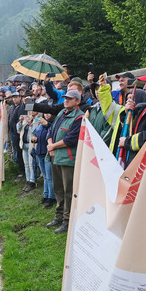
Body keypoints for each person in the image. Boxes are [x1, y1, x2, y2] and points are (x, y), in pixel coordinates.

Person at [46, 90, 84, 233]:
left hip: (68, 159)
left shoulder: (79, 117)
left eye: (69, 99)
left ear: (77, 101)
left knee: (68, 190)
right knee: (58, 188)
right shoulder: (62, 113)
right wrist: (50, 144)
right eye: (65, 98)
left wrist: (54, 146)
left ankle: (68, 221)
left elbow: (71, 139)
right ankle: (59, 216)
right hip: (55, 156)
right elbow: (51, 130)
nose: (66, 101)